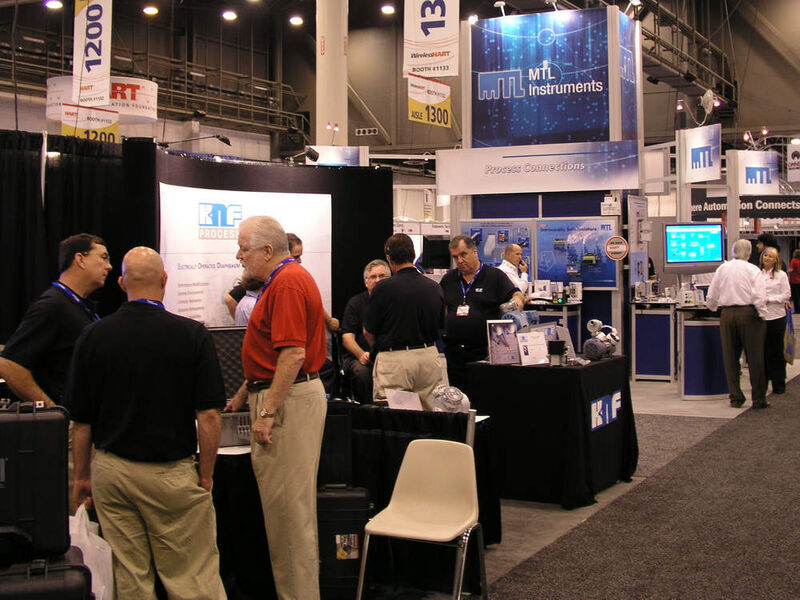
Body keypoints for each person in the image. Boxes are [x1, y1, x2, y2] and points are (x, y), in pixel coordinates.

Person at [63, 247, 226, 600]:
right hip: (171, 474)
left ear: (122, 284)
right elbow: (209, 415)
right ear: (165, 280)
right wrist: (206, 475)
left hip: (112, 473)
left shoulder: (93, 335)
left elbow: (81, 421)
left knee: (129, 578)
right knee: (192, 577)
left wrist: (81, 477)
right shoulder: (192, 334)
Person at [227, 216, 327, 599]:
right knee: (287, 515)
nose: (239, 256)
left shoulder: (286, 283)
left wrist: (266, 412)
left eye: (244, 248)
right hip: (284, 396)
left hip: (287, 403)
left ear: (268, 251)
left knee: (288, 518)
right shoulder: (283, 280)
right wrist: (243, 394)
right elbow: (273, 355)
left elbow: (292, 354)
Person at [0, 233, 111, 406]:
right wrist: (53, 411)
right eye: (103, 258)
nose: (109, 266)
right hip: (67, 418)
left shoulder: (79, 306)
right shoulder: (52, 306)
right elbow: (9, 364)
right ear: (80, 259)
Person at [364, 234, 445, 410]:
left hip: (395, 360)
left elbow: (368, 331)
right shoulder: (435, 287)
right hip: (429, 357)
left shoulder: (382, 289)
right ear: (413, 254)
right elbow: (440, 325)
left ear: (389, 259)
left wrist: (378, 350)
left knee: (396, 419)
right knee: (430, 416)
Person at [440, 235, 524, 393]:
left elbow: (516, 293)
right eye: (455, 257)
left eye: (463, 254)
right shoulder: (449, 279)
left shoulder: (494, 276)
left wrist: (517, 301)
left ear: (474, 252)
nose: (459, 261)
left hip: (484, 353)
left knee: (483, 396)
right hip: (455, 354)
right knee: (459, 399)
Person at [706, 239, 769, 409]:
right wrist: (762, 315)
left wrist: (712, 307)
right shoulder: (753, 269)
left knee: (730, 358)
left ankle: (735, 397)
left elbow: (712, 295)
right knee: (755, 358)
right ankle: (758, 399)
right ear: (749, 252)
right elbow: (758, 296)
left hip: (727, 314)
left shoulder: (722, 268)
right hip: (749, 314)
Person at [340, 259, 390, 404]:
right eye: (373, 277)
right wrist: (361, 355)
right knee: (362, 373)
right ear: (366, 282)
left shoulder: (395, 302)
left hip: (389, 356)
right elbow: (347, 338)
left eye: (382, 276)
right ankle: (367, 410)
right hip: (360, 357)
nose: (378, 280)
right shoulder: (355, 303)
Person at [760, 246, 790, 394]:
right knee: (763, 352)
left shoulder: (781, 275)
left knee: (777, 351)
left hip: (777, 317)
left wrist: (770, 299)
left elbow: (786, 295)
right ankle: (763, 383)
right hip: (761, 317)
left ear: (776, 260)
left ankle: (779, 383)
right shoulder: (757, 274)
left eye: (770, 256)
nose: (767, 258)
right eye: (765, 255)